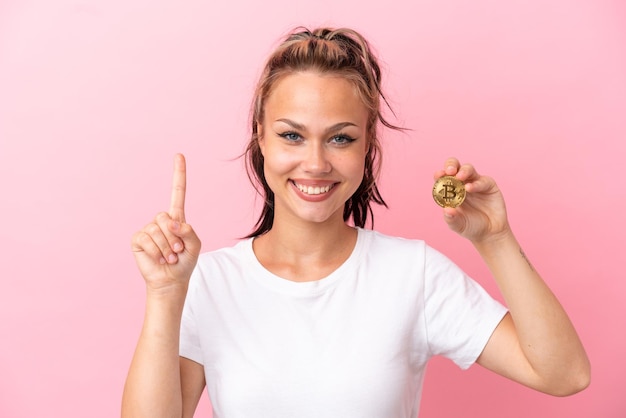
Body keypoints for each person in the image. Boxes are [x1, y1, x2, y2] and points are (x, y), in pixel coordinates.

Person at [121, 27, 590, 418]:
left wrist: (496, 239)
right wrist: (165, 295)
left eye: (340, 138)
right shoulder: (209, 281)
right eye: (292, 135)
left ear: (367, 147)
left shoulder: (414, 275)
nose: (316, 162)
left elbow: (564, 374)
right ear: (260, 136)